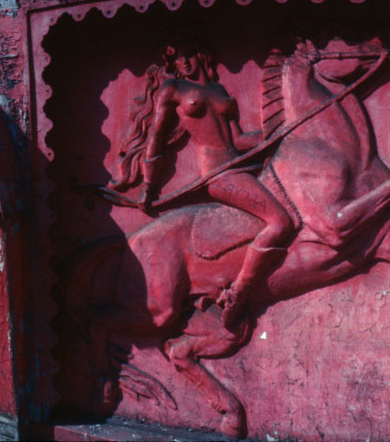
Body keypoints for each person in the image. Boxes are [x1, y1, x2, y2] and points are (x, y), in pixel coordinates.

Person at [112, 35, 294, 326]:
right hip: (219, 175)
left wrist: (279, 133)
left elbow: (239, 140)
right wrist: (147, 186)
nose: (183, 63)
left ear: (202, 55)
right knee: (280, 222)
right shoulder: (173, 89)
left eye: (188, 55)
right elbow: (156, 138)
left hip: (243, 168)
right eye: (177, 59)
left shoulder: (218, 89)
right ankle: (237, 293)